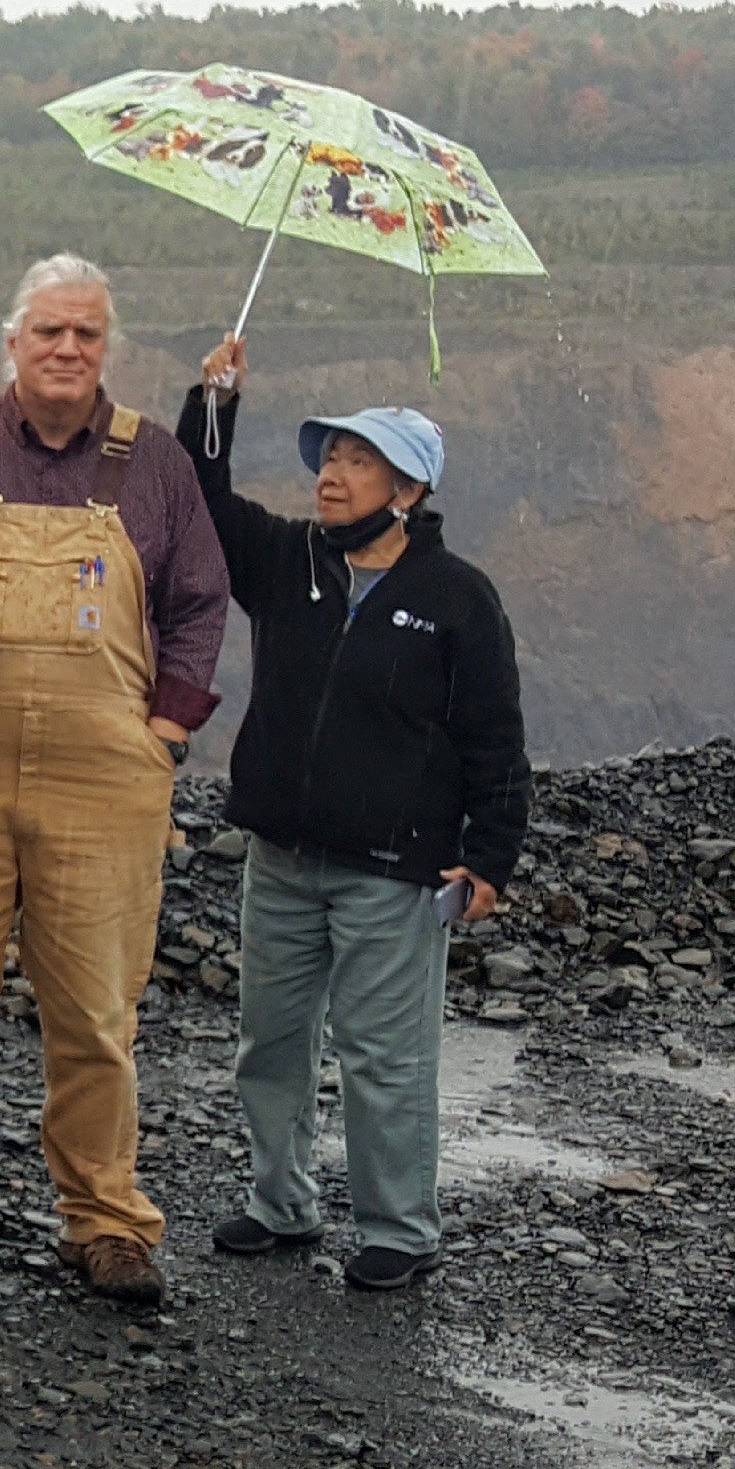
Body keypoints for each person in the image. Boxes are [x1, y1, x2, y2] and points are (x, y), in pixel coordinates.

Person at [0, 255, 228, 1304]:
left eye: (87, 335)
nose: (67, 351)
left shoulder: (152, 464)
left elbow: (199, 600)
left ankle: (105, 1222)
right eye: (49, 333)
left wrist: (163, 730)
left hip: (105, 775)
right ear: (11, 342)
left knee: (96, 1010)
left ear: (107, 348)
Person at [178, 339, 529, 1290]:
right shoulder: (290, 561)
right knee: (272, 1042)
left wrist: (489, 857)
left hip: (393, 870)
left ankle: (398, 1230)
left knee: (385, 1058)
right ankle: (279, 1205)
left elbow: (495, 737)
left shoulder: (457, 598)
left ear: (409, 489)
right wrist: (215, 401)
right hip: (282, 856)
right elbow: (202, 507)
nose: (332, 475)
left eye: (356, 461)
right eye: (328, 457)